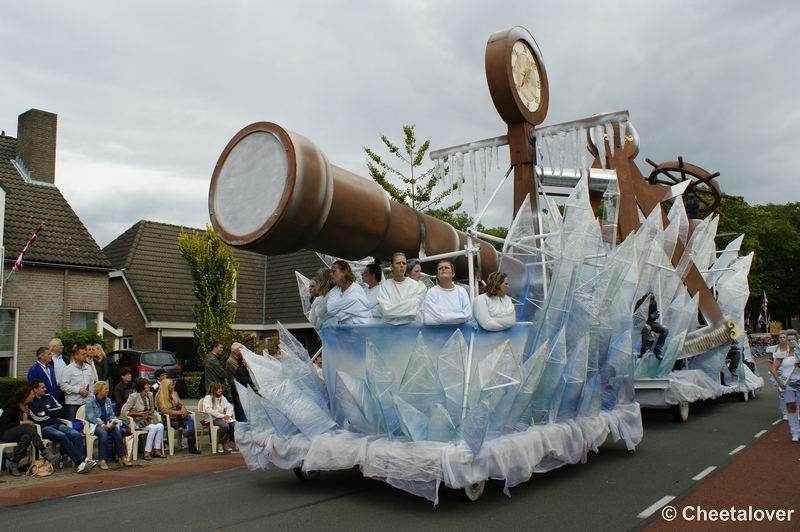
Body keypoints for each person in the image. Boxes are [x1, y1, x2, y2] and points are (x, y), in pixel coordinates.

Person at [29, 379, 95, 473]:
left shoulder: (49, 397)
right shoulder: (31, 401)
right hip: (44, 428)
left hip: (57, 424)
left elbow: (60, 410)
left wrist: (45, 413)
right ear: (35, 390)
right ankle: (81, 460)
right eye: (42, 387)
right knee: (62, 436)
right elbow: (36, 418)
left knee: (76, 434)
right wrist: (51, 413)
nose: (45, 389)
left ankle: (80, 463)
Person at [1, 386, 58, 476]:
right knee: (27, 427)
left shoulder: (26, 407)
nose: (33, 396)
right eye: (31, 395)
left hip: (16, 433)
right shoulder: (13, 407)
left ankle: (14, 463)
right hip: (5, 433)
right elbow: (3, 424)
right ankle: (43, 450)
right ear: (25, 397)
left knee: (26, 437)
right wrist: (21, 422)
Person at [84, 381, 131, 468]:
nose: (107, 390)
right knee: (103, 433)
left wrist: (111, 422)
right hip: (93, 425)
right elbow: (92, 418)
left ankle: (122, 457)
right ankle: (102, 460)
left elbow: (111, 414)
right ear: (99, 391)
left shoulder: (108, 400)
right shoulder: (90, 402)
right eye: (105, 389)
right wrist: (102, 425)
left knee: (117, 433)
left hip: (106, 424)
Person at [377, 252, 428, 325]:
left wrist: (393, 310)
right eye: (398, 263)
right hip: (389, 330)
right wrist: (406, 307)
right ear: (391, 266)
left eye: (404, 263)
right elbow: (386, 311)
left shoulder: (414, 285)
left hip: (409, 329)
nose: (401, 265)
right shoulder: (385, 286)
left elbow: (412, 311)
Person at [121, 378, 165, 460]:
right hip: (136, 420)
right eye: (146, 384)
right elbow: (124, 412)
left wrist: (149, 412)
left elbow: (152, 408)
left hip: (146, 418)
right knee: (153, 427)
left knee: (160, 426)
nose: (148, 386)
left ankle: (156, 449)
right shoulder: (133, 397)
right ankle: (146, 451)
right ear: (141, 387)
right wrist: (138, 413)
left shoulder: (149, 395)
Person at [155, 378, 201, 454]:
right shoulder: (159, 397)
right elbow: (164, 410)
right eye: (171, 385)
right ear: (166, 386)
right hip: (169, 419)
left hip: (179, 418)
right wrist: (178, 413)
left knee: (189, 417)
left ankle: (191, 440)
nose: (173, 386)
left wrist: (183, 410)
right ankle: (191, 441)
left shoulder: (174, 394)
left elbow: (181, 404)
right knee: (188, 418)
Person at [770, 331, 800, 441]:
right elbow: (774, 369)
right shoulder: (783, 354)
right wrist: (779, 382)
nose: (791, 342)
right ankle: (795, 433)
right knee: (791, 407)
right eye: (789, 340)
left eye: (793, 340)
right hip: (787, 384)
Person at [423, 260, 472, 325]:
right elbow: (428, 320)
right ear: (437, 275)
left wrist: (440, 316)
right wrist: (459, 317)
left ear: (453, 274)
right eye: (440, 268)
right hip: (437, 334)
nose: (443, 269)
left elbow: (468, 315)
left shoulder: (461, 291)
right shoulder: (431, 292)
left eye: (446, 267)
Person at [59, 343, 95, 421]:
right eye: (82, 354)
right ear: (76, 356)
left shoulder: (88, 368)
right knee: (73, 425)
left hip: (86, 402)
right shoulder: (68, 369)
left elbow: (91, 384)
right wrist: (78, 390)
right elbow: (63, 385)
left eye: (85, 354)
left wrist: (91, 398)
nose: (85, 356)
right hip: (73, 403)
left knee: (86, 426)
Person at [200, 382, 235, 453]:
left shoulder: (222, 398)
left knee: (234, 425)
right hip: (212, 418)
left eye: (221, 388)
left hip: (222, 418)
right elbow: (209, 410)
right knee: (225, 426)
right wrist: (222, 416)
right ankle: (219, 443)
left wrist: (228, 414)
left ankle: (224, 441)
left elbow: (229, 406)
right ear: (214, 390)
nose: (221, 390)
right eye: (219, 389)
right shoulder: (208, 398)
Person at [634, 292, 669, 360]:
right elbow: (638, 318)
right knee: (647, 328)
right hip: (639, 323)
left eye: (651, 301)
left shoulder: (653, 303)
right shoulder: (640, 303)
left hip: (650, 322)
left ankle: (657, 349)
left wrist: (654, 316)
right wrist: (651, 316)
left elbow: (654, 315)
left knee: (664, 329)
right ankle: (644, 351)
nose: (650, 303)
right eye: (649, 301)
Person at [768, 331, 792, 420]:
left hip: (789, 373)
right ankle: (785, 413)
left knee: (791, 393)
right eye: (780, 337)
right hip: (777, 373)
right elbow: (770, 361)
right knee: (782, 393)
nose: (782, 339)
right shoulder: (774, 349)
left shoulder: (791, 349)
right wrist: (771, 369)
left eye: (784, 337)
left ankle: (793, 411)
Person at [227, 342, 244, 421]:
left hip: (239, 386)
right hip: (235, 386)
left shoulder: (237, 360)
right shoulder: (231, 361)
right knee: (238, 406)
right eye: (240, 349)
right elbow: (238, 372)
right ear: (235, 351)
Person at [233, 356, 253, 422]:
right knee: (243, 413)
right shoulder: (242, 370)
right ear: (242, 361)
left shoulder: (241, 369)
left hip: (241, 394)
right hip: (242, 395)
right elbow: (247, 382)